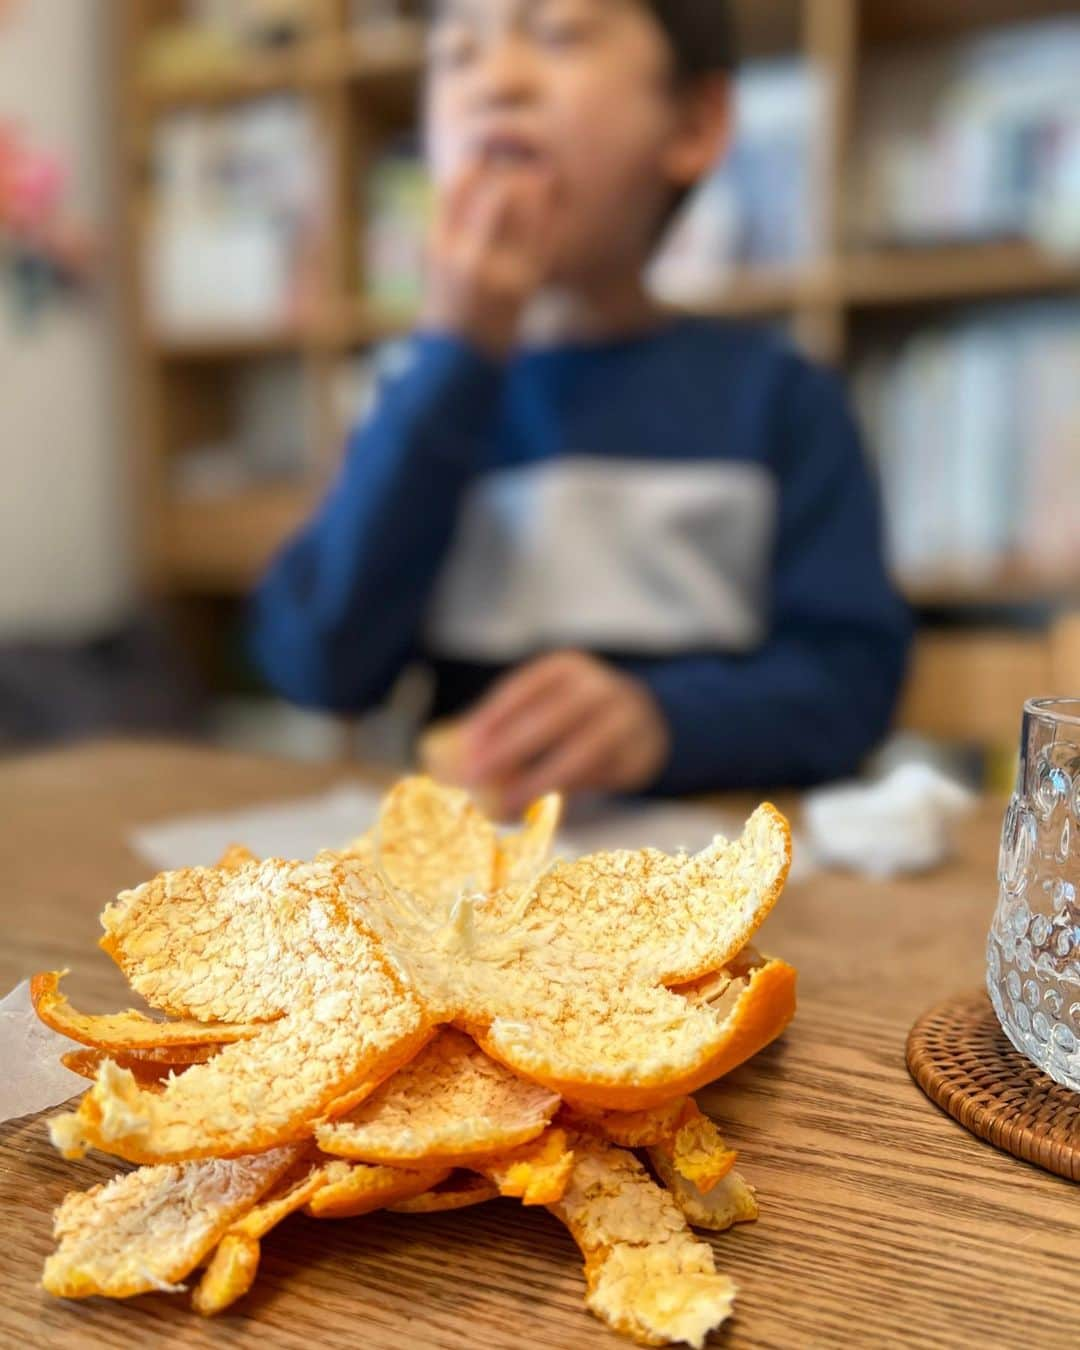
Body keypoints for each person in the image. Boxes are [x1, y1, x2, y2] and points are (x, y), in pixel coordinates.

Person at [250, 0, 911, 815]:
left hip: (711, 870)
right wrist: (454, 356)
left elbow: (854, 683)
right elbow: (317, 664)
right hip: (479, 885)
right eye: (458, 52)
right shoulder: (408, 399)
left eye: (557, 33)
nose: (498, 80)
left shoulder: (781, 398)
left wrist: (666, 721)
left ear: (695, 124)